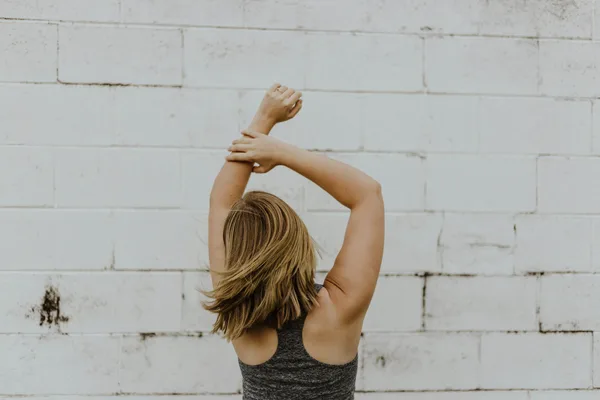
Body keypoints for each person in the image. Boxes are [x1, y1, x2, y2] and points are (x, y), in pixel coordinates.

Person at [204, 83, 385, 400]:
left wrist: (263, 118)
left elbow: (221, 202)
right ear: (297, 243)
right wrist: (280, 152)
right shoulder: (340, 308)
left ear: (236, 254)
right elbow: (366, 195)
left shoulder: (236, 310)